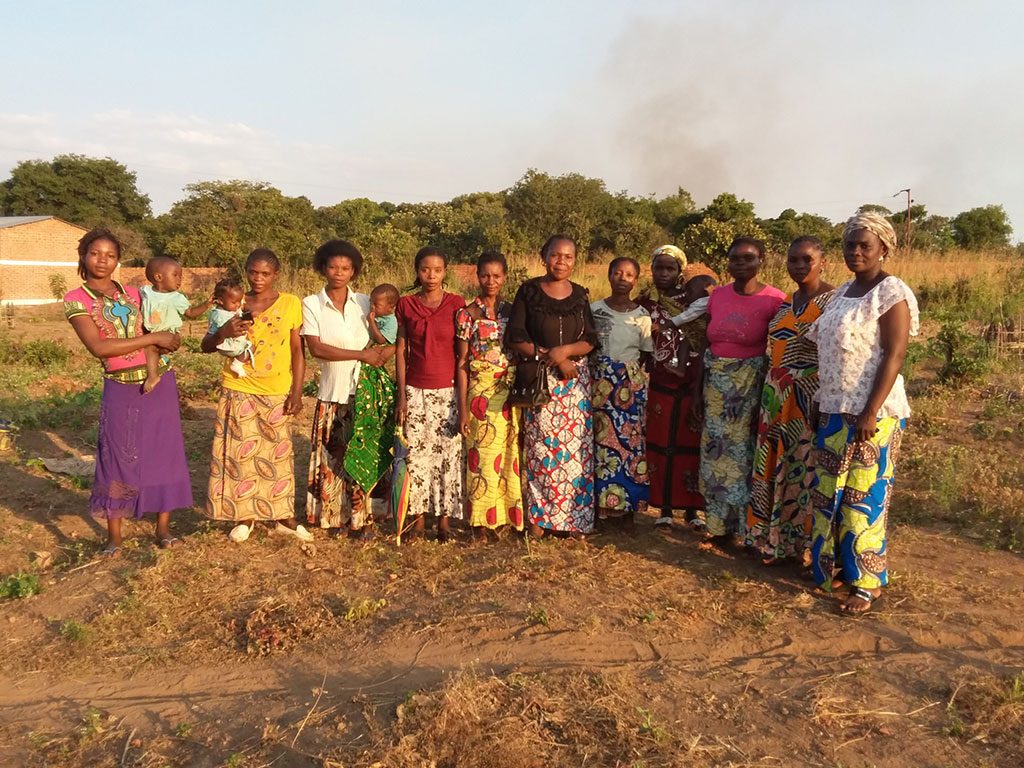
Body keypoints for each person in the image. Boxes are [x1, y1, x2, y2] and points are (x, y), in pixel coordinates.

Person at [808, 212, 918, 614]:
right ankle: (834, 568)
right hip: (834, 407)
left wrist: (871, 410)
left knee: (863, 496)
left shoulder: (892, 292)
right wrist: (820, 399)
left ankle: (866, 583)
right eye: (850, 245)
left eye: (864, 245)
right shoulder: (841, 294)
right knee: (828, 492)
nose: (855, 252)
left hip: (873, 411)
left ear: (884, 248)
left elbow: (895, 354)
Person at [63, 228, 192, 554]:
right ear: (84, 256)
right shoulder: (76, 300)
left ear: (118, 259)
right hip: (120, 387)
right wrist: (153, 339)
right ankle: (114, 535)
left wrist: (169, 339)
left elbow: (162, 325)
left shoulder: (136, 293)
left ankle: (162, 528)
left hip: (159, 381)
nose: (102, 260)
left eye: (110, 255)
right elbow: (99, 347)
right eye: (95, 253)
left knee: (164, 453)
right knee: (118, 457)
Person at [202, 248, 310, 543]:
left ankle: (283, 516)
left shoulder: (290, 304)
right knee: (241, 455)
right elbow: (206, 345)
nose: (258, 278)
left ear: (276, 274)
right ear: (246, 271)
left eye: (265, 273)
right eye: (253, 272)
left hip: (276, 388)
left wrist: (297, 391)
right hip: (239, 387)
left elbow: (298, 350)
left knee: (279, 455)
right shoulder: (233, 302)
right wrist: (224, 331)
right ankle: (244, 516)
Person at [745, 237, 834, 565]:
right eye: (793, 260)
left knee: (803, 469)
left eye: (806, 260)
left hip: (809, 396)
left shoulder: (833, 302)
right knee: (770, 464)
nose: (799, 266)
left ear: (822, 261)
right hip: (774, 394)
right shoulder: (785, 303)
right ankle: (770, 541)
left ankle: (803, 548)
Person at [506, 235, 598, 538]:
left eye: (568, 257)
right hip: (542, 381)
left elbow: (591, 340)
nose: (562, 262)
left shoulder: (581, 295)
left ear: (575, 260)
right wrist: (551, 356)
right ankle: (539, 520)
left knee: (576, 454)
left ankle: (575, 520)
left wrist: (567, 352)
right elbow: (516, 335)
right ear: (543, 256)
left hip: (574, 384)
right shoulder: (529, 291)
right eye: (556, 255)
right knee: (540, 451)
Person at [696, 237, 786, 548]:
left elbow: (777, 351)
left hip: (749, 388)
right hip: (715, 386)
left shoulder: (775, 300)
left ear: (761, 260)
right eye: (735, 258)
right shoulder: (717, 295)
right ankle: (718, 527)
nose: (741, 264)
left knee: (746, 457)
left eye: (748, 258)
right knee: (715, 458)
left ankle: (748, 532)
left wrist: (765, 400)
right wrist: (700, 393)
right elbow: (708, 345)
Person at [301, 240, 393, 538]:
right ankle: (335, 518)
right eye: (332, 267)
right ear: (323, 269)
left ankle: (362, 520)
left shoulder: (366, 302)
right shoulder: (311, 304)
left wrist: (382, 355)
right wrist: (361, 354)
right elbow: (317, 348)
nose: (338, 273)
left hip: (365, 392)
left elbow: (392, 334)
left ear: (354, 271)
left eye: (345, 268)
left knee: (363, 456)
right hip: (332, 392)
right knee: (334, 459)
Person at [638, 245, 714, 529]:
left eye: (670, 268)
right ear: (652, 270)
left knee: (690, 444)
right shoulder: (645, 303)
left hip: (693, 380)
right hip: (660, 380)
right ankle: (664, 507)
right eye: (659, 267)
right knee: (661, 444)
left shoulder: (693, 298)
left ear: (680, 271)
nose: (664, 273)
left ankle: (693, 510)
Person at [395, 247, 466, 542]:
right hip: (415, 389)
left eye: (437, 270)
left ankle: (444, 523)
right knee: (416, 456)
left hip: (447, 391)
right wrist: (401, 395)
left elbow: (462, 355)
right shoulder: (406, 304)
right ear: (417, 270)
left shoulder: (456, 304)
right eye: (425, 269)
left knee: (447, 456)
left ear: (445, 272)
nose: (431, 275)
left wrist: (462, 403)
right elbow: (401, 351)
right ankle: (418, 520)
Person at [455, 251, 524, 542]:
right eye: (485, 275)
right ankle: (479, 523)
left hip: (509, 394)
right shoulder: (466, 314)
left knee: (509, 456)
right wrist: (462, 410)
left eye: (497, 276)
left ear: (505, 277)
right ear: (477, 276)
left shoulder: (514, 312)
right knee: (481, 458)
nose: (491, 281)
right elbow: (461, 364)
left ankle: (505, 517)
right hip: (481, 394)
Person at [590, 256, 653, 528]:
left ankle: (627, 508)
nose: (622, 279)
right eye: (617, 273)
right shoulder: (594, 310)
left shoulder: (641, 317)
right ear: (608, 275)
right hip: (600, 384)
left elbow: (646, 356)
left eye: (629, 275)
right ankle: (599, 508)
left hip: (629, 388)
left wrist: (636, 387)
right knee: (600, 445)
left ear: (635, 281)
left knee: (629, 446)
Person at [341, 281, 400, 532]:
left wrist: (371, 320)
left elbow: (378, 339)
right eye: (373, 303)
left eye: (378, 304)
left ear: (391, 307)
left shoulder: (390, 322)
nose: (373, 307)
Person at [139, 256, 212, 392]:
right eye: (175, 275)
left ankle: (153, 376)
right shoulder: (145, 291)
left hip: (169, 334)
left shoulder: (177, 298)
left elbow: (190, 312)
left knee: (150, 348)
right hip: (151, 332)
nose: (179, 280)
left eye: (180, 276)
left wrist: (207, 304)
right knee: (149, 349)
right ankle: (158, 373)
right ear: (159, 277)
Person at [207, 277, 256, 377]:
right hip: (231, 345)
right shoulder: (219, 314)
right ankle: (237, 364)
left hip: (229, 344)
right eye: (234, 302)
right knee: (251, 346)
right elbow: (229, 328)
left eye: (239, 301)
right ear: (221, 301)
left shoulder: (228, 310)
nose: (238, 305)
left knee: (251, 346)